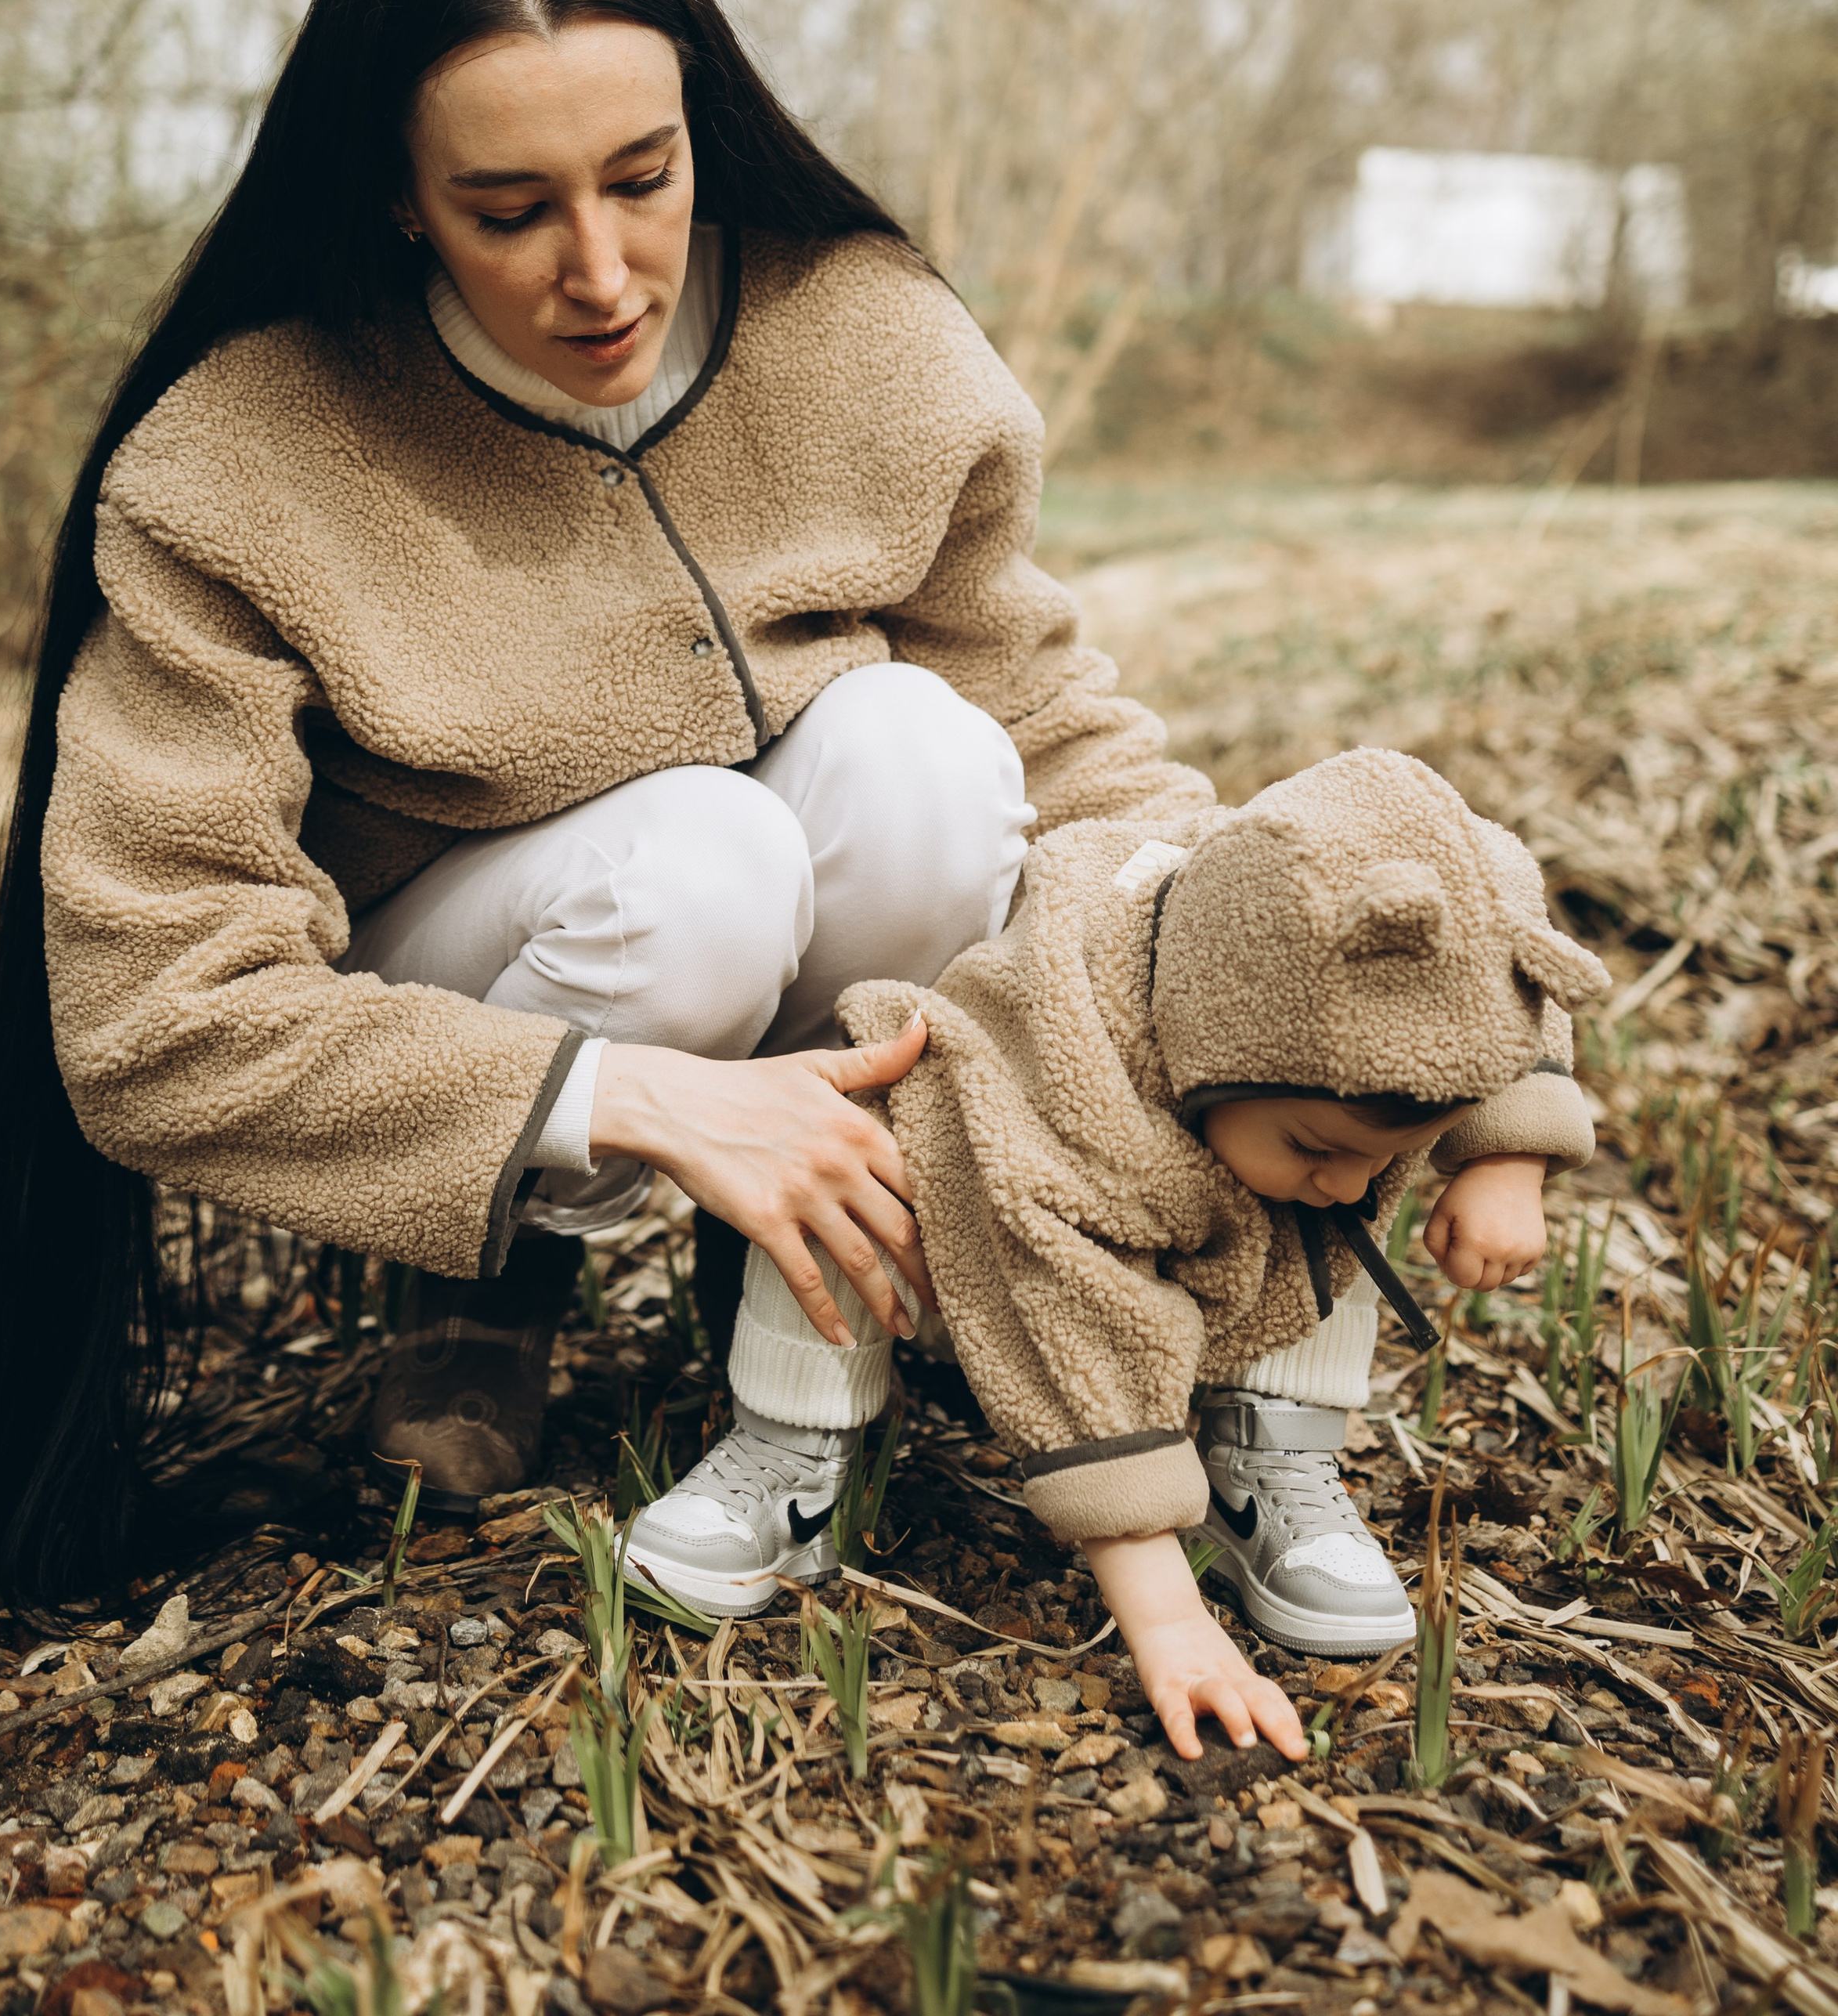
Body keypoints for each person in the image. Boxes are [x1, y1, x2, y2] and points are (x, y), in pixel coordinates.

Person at [0, 0, 1210, 1602]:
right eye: (509, 209)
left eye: (642, 179)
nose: (600, 272)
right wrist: (614, 1092)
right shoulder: (238, 463)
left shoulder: (865, 334)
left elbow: (1045, 716)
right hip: (467, 973)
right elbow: (155, 1019)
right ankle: (483, 1287)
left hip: (788, 896)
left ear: (702, 129)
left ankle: (812, 1262)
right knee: (702, 861)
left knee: (918, 752)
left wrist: (1264, 934)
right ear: (397, 199)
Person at [636, 746, 1604, 1764]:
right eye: (1319, 1145)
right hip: (971, 1247)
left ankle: (1268, 1463)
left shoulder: (1348, 985)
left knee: (1332, 1206)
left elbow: (1479, 978)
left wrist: (1509, 1156)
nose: (1353, 1182)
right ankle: (793, 1456)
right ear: (1226, 1048)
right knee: (851, 1166)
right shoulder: (1072, 1084)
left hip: (1196, 1233)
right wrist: (1170, 1622)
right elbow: (1082, 1330)